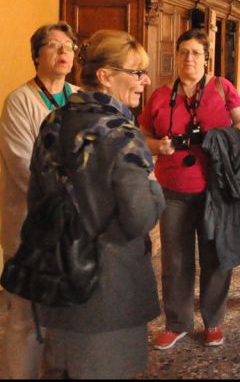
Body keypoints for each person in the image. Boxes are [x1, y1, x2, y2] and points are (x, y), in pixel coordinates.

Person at [29, 29, 164, 379]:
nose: (145, 80)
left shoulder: (54, 121)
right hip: (107, 291)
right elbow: (138, 218)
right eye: (136, 72)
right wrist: (154, 188)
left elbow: (37, 199)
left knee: (61, 369)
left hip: (57, 280)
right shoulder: (121, 132)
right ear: (105, 76)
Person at [140, 29, 240, 351]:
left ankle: (213, 322)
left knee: (215, 256)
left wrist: (220, 137)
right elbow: (142, 134)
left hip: (215, 189)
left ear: (206, 59)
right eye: (183, 52)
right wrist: (156, 146)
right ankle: (177, 323)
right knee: (175, 260)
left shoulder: (222, 88)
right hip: (173, 188)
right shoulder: (161, 96)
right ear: (176, 57)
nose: (189, 58)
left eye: (195, 53)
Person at [0, 22, 79, 378]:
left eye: (69, 46)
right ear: (35, 55)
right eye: (53, 45)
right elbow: (25, 170)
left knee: (65, 318)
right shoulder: (20, 102)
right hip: (30, 230)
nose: (64, 52)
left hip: (73, 231)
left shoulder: (78, 97)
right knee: (25, 319)